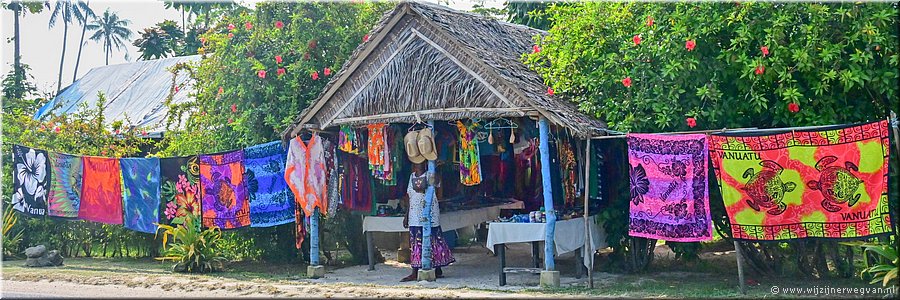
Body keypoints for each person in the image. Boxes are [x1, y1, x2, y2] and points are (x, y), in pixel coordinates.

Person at [401, 162, 455, 282]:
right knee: (416, 241)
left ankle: (437, 267)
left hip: (430, 212)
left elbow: (438, 191)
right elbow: (409, 196)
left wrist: (434, 171)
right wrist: (407, 215)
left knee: (433, 239)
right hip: (414, 214)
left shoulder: (431, 175)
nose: (417, 164)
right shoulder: (411, 177)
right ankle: (415, 269)